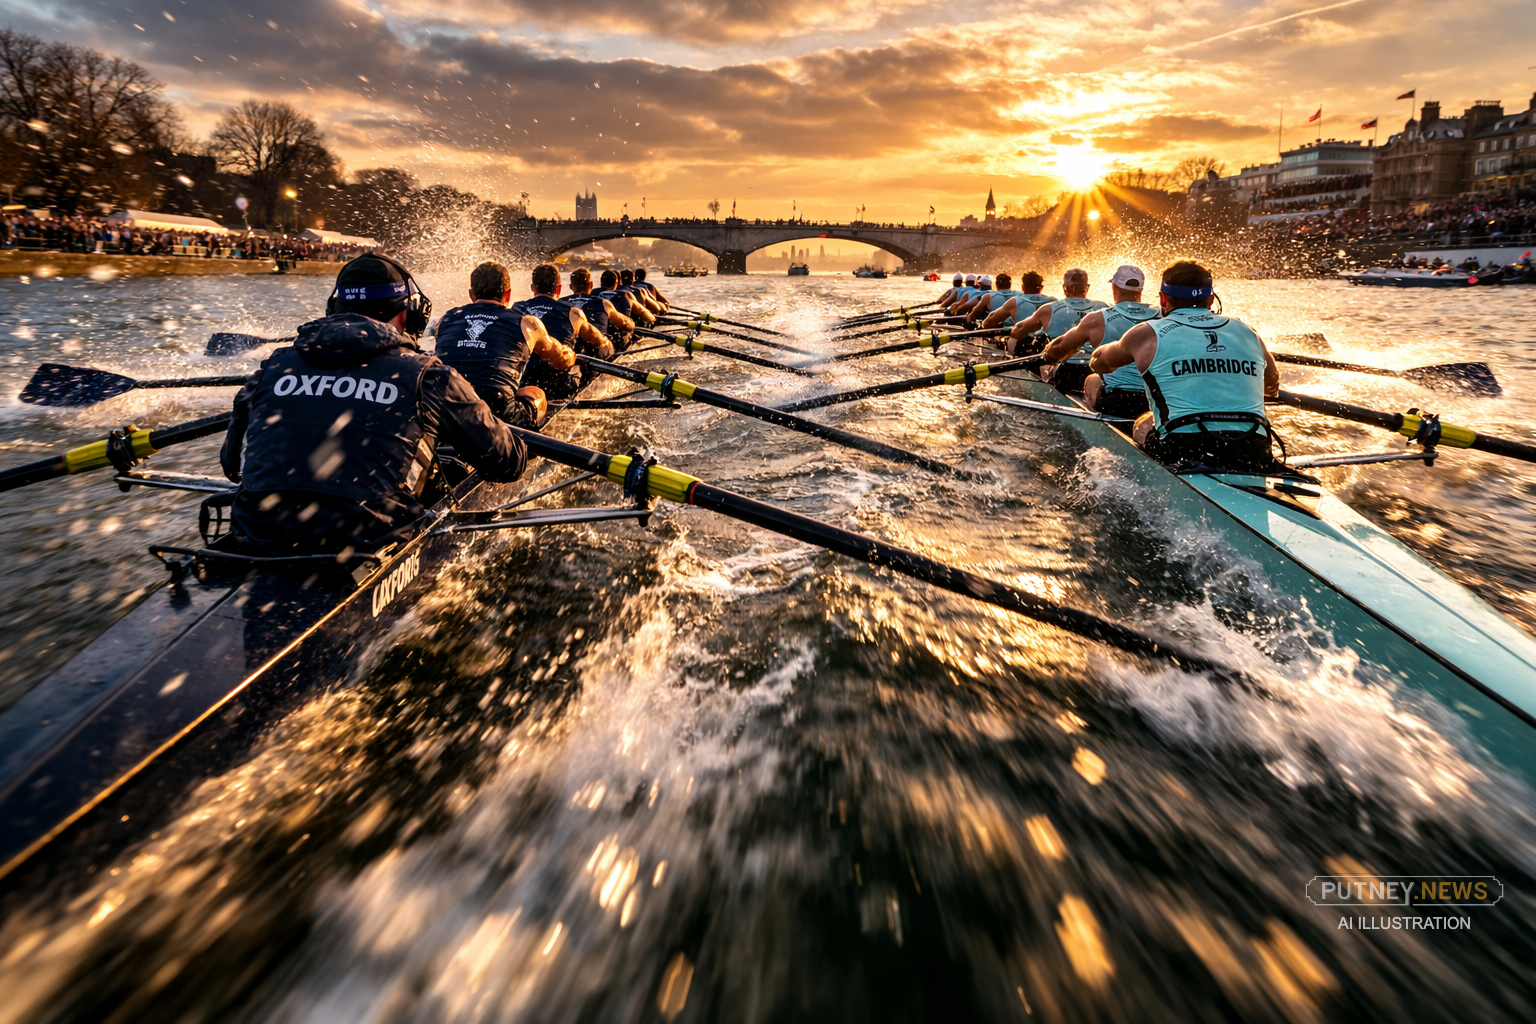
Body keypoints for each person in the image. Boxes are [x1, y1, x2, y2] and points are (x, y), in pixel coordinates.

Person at [220, 254, 534, 554]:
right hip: (367, 542)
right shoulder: (430, 376)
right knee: (448, 467)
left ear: (334, 308)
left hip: (258, 534)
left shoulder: (273, 366)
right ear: (407, 313)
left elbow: (231, 466)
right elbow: (509, 464)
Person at [1088, 260, 1283, 471]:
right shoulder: (1248, 331)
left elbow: (1100, 364)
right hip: (1253, 445)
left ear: (1163, 299)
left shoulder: (1147, 333)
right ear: (1210, 300)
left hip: (1185, 446)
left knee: (1143, 424)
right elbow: (1271, 385)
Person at [433, 261, 565, 423]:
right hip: (499, 414)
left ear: (471, 294)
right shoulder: (527, 323)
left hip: (445, 411)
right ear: (507, 295)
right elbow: (559, 359)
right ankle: (532, 439)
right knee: (537, 393)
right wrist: (571, 356)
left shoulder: (446, 319)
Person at [1032, 265, 1159, 414]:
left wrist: (1048, 356)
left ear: (1114, 288)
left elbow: (1058, 349)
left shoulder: (1098, 318)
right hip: (1155, 398)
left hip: (1117, 401)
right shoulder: (1164, 316)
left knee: (1092, 378)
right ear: (1141, 289)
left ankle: (1093, 418)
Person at [510, 263, 587, 399]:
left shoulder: (516, 308)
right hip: (559, 385)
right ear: (559, 288)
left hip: (523, 382)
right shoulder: (574, 313)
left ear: (532, 288)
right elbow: (595, 341)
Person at [566, 267, 635, 349]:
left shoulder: (560, 302)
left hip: (569, 349)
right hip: (598, 349)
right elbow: (625, 323)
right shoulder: (604, 303)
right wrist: (632, 324)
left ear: (570, 287)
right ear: (591, 285)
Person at [981, 271, 1055, 334]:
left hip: (1022, 343)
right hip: (1047, 342)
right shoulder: (1053, 301)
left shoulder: (1014, 302)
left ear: (1022, 287)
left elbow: (988, 323)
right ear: (1042, 287)